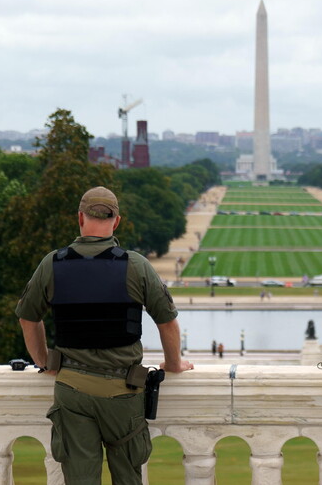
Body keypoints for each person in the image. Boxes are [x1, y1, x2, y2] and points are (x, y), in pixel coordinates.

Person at [16, 186, 194, 485]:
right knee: (127, 478)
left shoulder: (53, 264)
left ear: (80, 218)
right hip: (123, 391)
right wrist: (173, 364)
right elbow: (167, 322)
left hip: (72, 389)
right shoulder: (135, 265)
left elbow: (28, 317)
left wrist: (45, 361)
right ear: (117, 221)